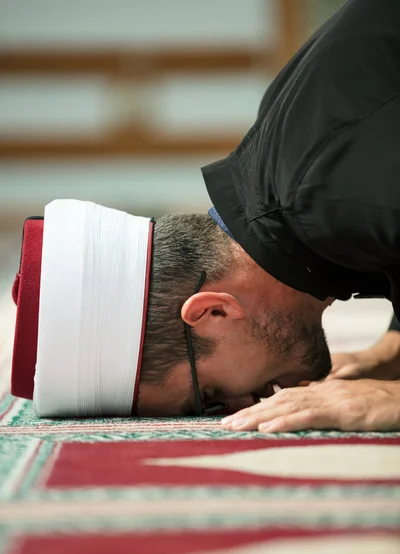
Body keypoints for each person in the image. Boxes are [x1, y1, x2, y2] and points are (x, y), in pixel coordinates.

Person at [10, 0, 400, 432]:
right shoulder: (298, 185)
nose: (247, 404)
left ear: (213, 311)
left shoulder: (341, 194)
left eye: (210, 397)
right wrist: (393, 347)